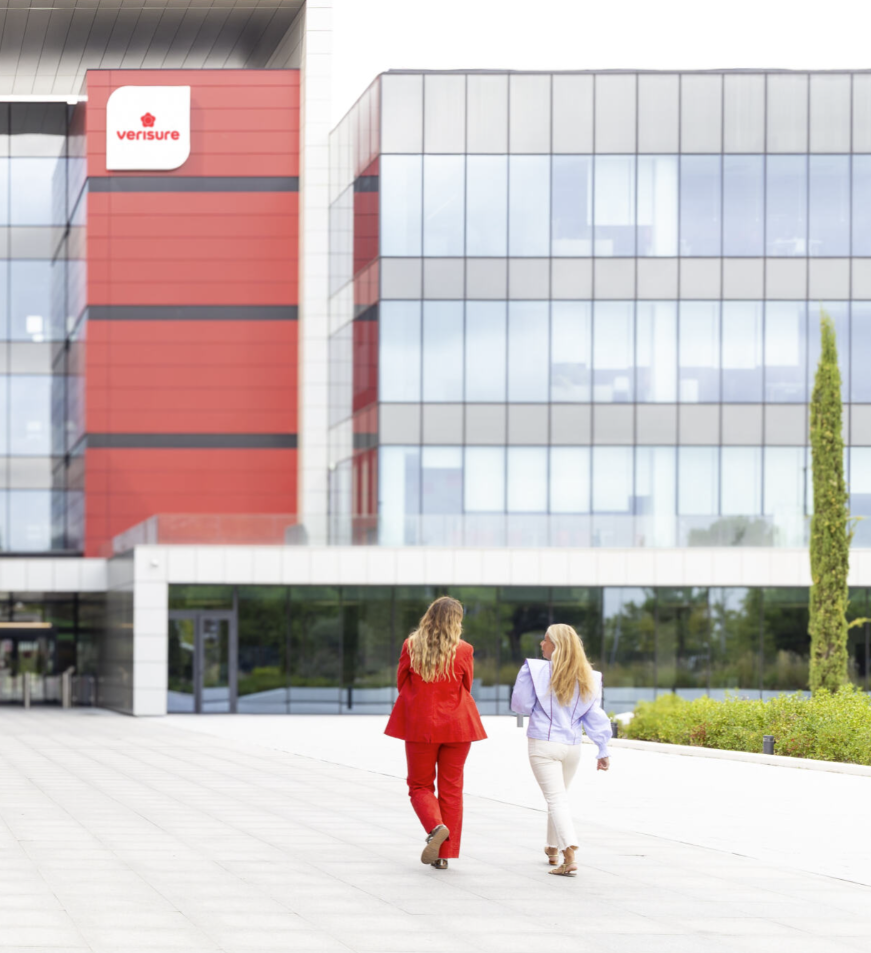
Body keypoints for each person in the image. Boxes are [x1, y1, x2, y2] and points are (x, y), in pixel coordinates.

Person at [385, 596, 487, 870]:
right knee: (452, 789)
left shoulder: (411, 646)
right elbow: (467, 684)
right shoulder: (464, 649)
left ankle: (436, 826)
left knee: (419, 786)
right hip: (458, 726)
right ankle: (444, 855)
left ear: (428, 616)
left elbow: (401, 683)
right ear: (457, 621)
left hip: (421, 726)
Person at [510, 623, 612, 877]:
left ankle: (569, 855)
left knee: (556, 799)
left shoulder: (533, 669)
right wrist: (602, 748)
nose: (541, 644)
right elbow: (595, 716)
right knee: (559, 798)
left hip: (543, 743)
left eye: (545, 640)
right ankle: (552, 847)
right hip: (572, 747)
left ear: (556, 645)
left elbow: (520, 705)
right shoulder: (590, 675)